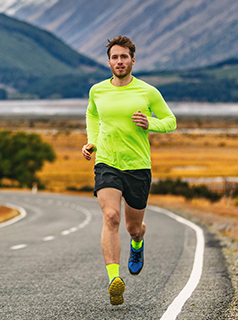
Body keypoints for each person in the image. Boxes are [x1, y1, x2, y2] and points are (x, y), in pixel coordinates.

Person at [82, 35, 176, 306]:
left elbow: (171, 121)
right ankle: (114, 279)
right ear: (109, 61)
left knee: (133, 226)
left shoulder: (147, 92)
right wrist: (93, 142)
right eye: (115, 57)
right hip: (107, 163)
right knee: (110, 217)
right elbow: (93, 115)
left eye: (124, 57)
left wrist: (151, 123)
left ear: (133, 60)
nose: (119, 61)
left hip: (137, 167)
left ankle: (138, 242)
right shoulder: (97, 90)